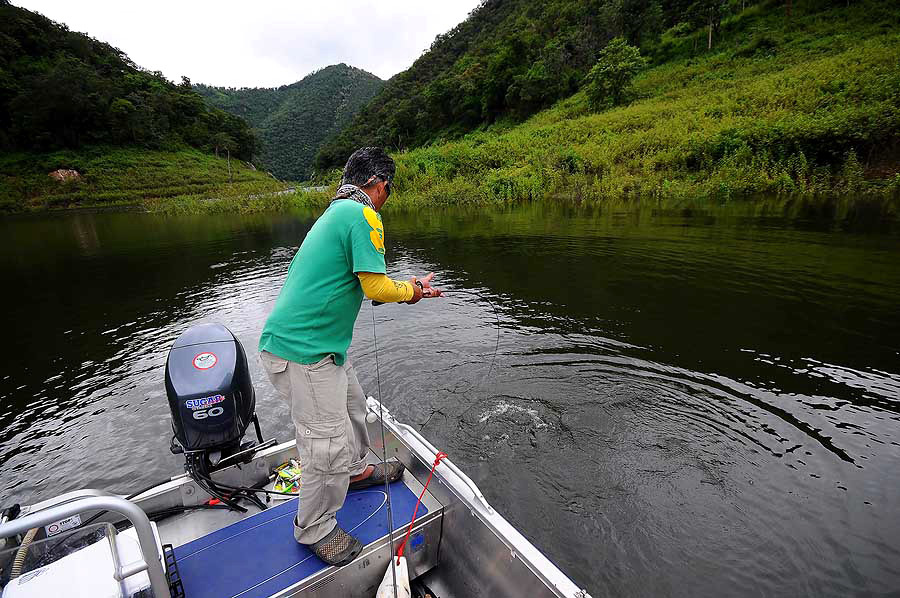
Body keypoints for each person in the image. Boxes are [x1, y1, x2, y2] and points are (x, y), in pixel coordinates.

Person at [258, 147, 442, 566]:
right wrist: (413, 291)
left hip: (323, 349)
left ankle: (357, 472)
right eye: (388, 189)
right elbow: (377, 289)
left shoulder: (338, 212)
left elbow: (365, 284)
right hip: (302, 353)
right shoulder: (363, 215)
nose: (386, 197)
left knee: (354, 407)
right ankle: (315, 527)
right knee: (325, 444)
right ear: (378, 186)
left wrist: (407, 285)